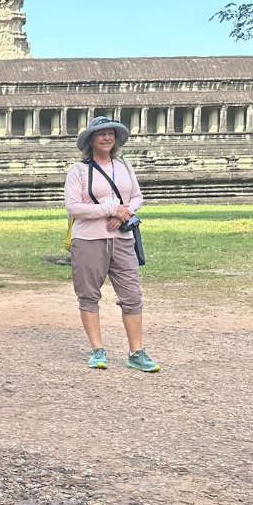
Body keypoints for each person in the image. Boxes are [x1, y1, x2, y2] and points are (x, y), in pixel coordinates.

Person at [65, 116, 160, 372]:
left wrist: (124, 214)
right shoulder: (78, 171)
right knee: (88, 295)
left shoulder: (125, 166)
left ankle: (136, 352)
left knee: (132, 296)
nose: (107, 138)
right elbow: (73, 207)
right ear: (91, 141)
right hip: (88, 239)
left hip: (122, 238)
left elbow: (137, 197)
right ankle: (97, 350)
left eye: (111, 134)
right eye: (101, 134)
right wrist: (111, 210)